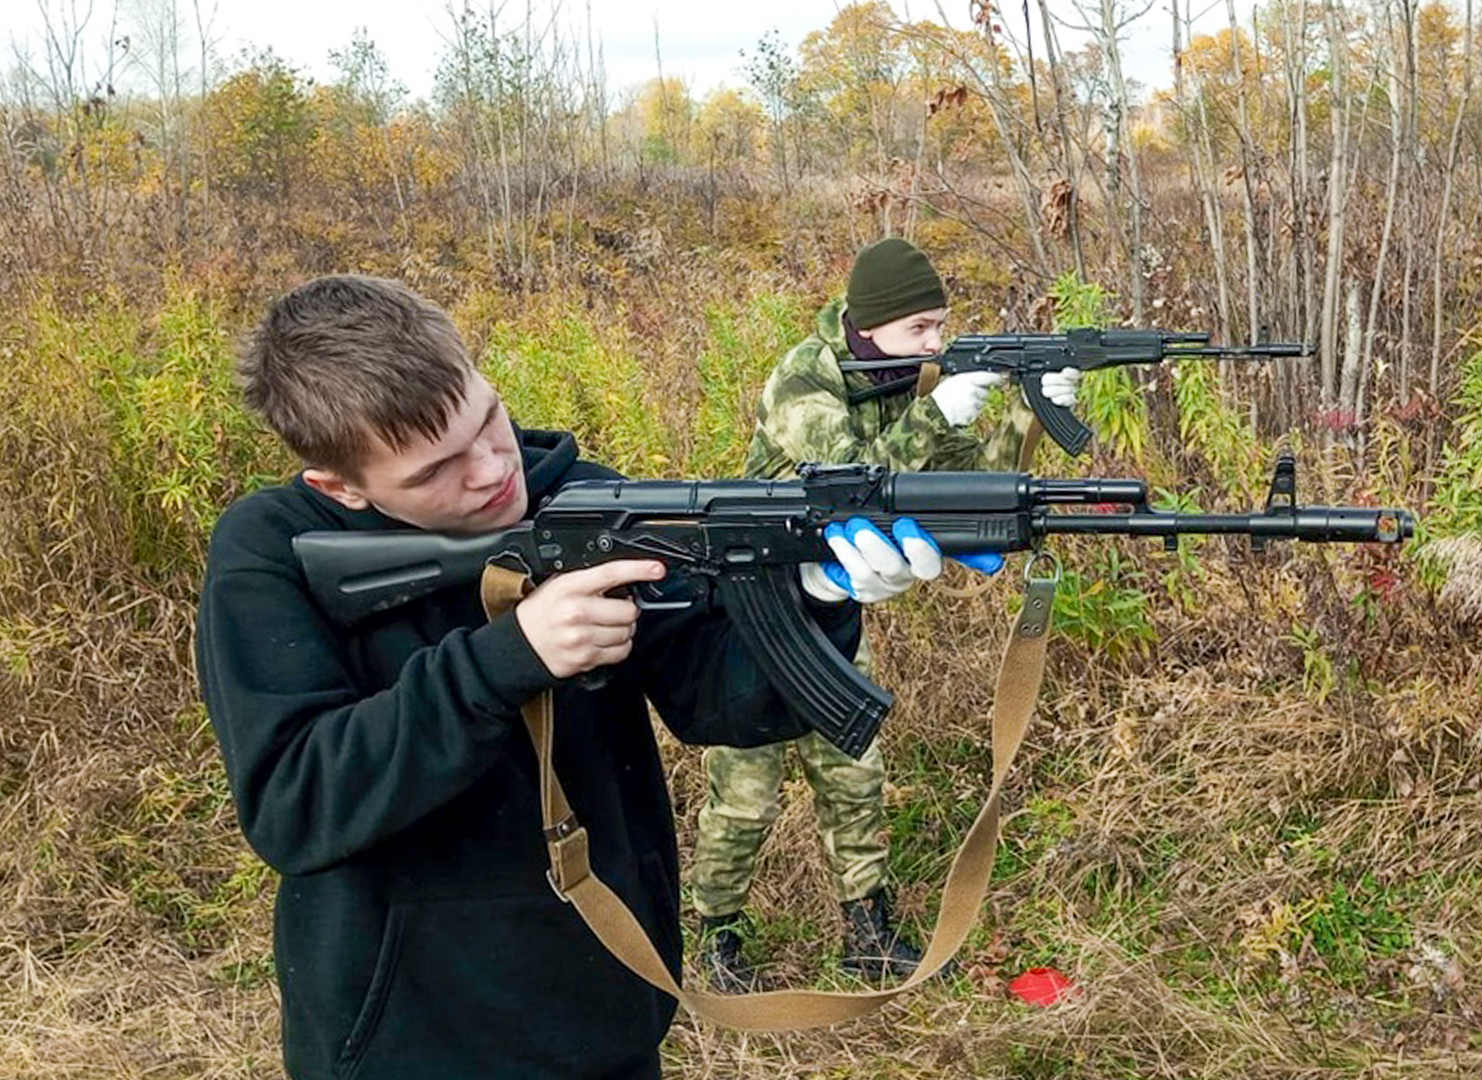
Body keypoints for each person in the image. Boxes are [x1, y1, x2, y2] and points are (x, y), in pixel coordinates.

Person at [194, 274, 950, 1080]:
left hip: (607, 1007)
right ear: (340, 488)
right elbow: (295, 804)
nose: (491, 470)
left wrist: (816, 596)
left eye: (488, 421)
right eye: (435, 472)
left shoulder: (583, 496)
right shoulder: (271, 553)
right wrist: (509, 658)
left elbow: (718, 701)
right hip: (406, 1040)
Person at [689, 237, 1081, 990]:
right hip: (754, 603)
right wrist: (936, 410)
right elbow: (853, 486)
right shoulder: (803, 379)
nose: (937, 342)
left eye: (941, 325)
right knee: (744, 795)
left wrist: (1030, 414)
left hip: (834, 604)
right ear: (869, 324)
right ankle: (718, 938)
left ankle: (867, 930)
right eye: (921, 328)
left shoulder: (907, 377)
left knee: (855, 771)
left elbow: (968, 484)